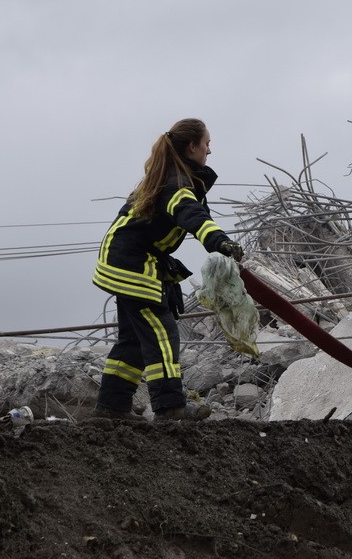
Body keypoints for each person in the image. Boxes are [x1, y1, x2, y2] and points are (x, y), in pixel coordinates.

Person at [92, 118, 243, 421]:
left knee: (133, 341)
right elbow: (192, 215)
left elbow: (199, 215)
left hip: (124, 260)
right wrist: (221, 243)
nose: (209, 151)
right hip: (131, 264)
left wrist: (220, 245)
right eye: (207, 144)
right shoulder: (176, 184)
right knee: (163, 332)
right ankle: (170, 406)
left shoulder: (178, 180)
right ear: (192, 147)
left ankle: (112, 408)